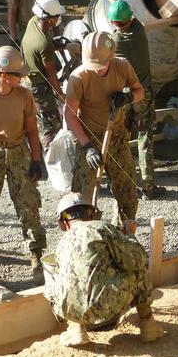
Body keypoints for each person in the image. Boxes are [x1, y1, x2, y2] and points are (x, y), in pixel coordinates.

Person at [45, 192, 164, 347]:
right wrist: (130, 236)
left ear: (63, 222)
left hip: (70, 309)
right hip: (106, 306)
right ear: (92, 213)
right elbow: (136, 259)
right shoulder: (102, 228)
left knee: (53, 280)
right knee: (137, 268)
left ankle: (75, 328)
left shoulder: (62, 243)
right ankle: (148, 325)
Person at [0, 47, 46, 285]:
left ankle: (35, 254)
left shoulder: (24, 96)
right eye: (16, 75)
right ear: (2, 74)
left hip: (18, 151)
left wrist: (36, 159)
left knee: (28, 203)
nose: (21, 79)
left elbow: (32, 130)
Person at [64, 31, 145, 232]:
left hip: (116, 136)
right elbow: (70, 115)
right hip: (88, 137)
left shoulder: (122, 66)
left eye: (100, 65)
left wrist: (127, 98)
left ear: (111, 55)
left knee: (127, 189)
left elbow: (139, 90)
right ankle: (84, 236)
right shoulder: (79, 77)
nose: (96, 71)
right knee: (83, 196)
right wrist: (87, 146)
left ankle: (123, 236)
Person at [108, 0, 167, 199]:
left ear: (113, 22)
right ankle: (148, 186)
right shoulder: (139, 31)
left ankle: (119, 180)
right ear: (130, 18)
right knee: (144, 138)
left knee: (120, 138)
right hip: (143, 93)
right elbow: (127, 15)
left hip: (123, 97)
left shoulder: (113, 43)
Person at [21, 0, 67, 149]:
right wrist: (61, 95)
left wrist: (65, 46)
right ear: (50, 19)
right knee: (51, 128)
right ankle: (51, 161)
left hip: (28, 82)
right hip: (41, 89)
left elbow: (41, 50)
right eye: (57, 16)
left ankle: (38, 155)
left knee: (36, 121)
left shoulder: (33, 22)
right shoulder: (44, 44)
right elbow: (52, 74)